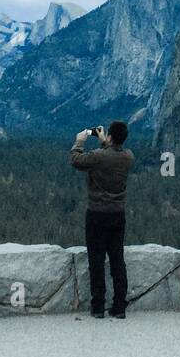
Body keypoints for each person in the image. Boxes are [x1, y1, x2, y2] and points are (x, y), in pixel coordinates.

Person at [70, 121, 135, 319]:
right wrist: (105, 141)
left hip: (97, 214)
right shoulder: (128, 157)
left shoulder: (98, 157)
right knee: (117, 260)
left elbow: (76, 160)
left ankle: (98, 306)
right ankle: (119, 306)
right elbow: (111, 154)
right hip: (118, 214)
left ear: (110, 136)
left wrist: (78, 142)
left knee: (96, 260)